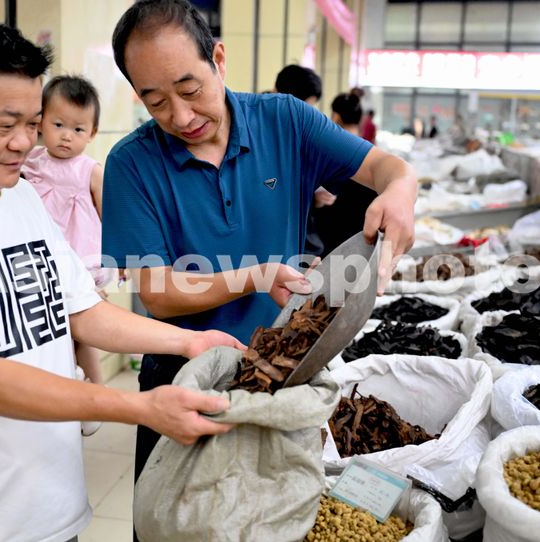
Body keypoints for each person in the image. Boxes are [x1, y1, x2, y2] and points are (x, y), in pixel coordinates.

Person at [0, 16, 243, 542]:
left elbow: (82, 310)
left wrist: (189, 342)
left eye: (33, 123)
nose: (24, 142)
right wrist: (139, 408)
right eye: (4, 124)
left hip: (53, 516)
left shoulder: (19, 196)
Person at [102, 0, 417, 487]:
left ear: (218, 59)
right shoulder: (130, 164)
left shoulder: (285, 121)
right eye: (157, 102)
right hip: (183, 380)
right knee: (171, 516)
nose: (182, 116)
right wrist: (256, 276)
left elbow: (384, 168)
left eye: (190, 89)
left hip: (285, 367)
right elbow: (158, 292)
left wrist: (402, 189)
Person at [21, 75, 106, 435]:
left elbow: (111, 218)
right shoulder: (31, 161)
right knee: (51, 332)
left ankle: (96, 397)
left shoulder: (90, 171)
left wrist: (115, 266)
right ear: (40, 122)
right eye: (58, 125)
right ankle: (67, 392)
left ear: (92, 133)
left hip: (80, 262)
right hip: (39, 262)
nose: (67, 136)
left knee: (82, 331)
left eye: (78, 129)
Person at [273, 64, 334, 256]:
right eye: (307, 108)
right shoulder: (262, 133)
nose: (310, 115)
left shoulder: (297, 131)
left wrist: (314, 197)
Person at [312, 93, 379, 258]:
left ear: (335, 116)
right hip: (362, 240)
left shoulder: (325, 152)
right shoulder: (372, 154)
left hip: (329, 240)